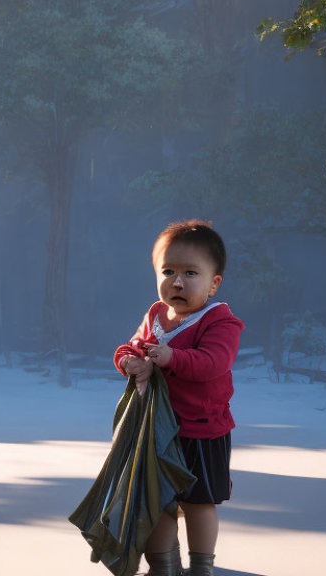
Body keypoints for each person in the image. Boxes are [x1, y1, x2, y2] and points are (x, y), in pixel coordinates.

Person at [114, 220, 244, 576]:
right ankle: (165, 566)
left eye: (191, 273)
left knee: (199, 502)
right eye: (168, 271)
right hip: (156, 430)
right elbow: (134, 346)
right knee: (157, 503)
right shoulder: (156, 315)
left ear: (214, 283)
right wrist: (128, 361)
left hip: (201, 430)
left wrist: (170, 358)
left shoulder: (219, 321)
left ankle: (201, 567)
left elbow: (213, 364)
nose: (177, 282)